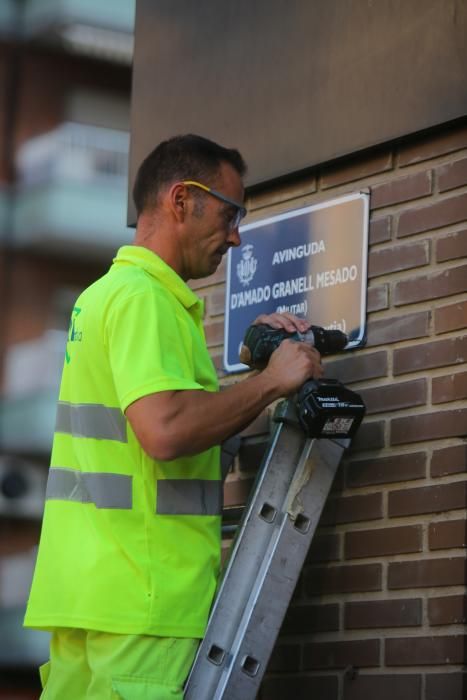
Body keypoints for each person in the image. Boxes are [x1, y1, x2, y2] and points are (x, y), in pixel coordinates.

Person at [24, 134, 322, 699]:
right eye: (232, 213)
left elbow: (146, 441)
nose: (236, 236)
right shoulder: (147, 301)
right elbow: (166, 430)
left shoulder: (103, 295)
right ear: (182, 200)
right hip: (146, 601)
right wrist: (273, 381)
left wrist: (250, 382)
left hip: (89, 597)